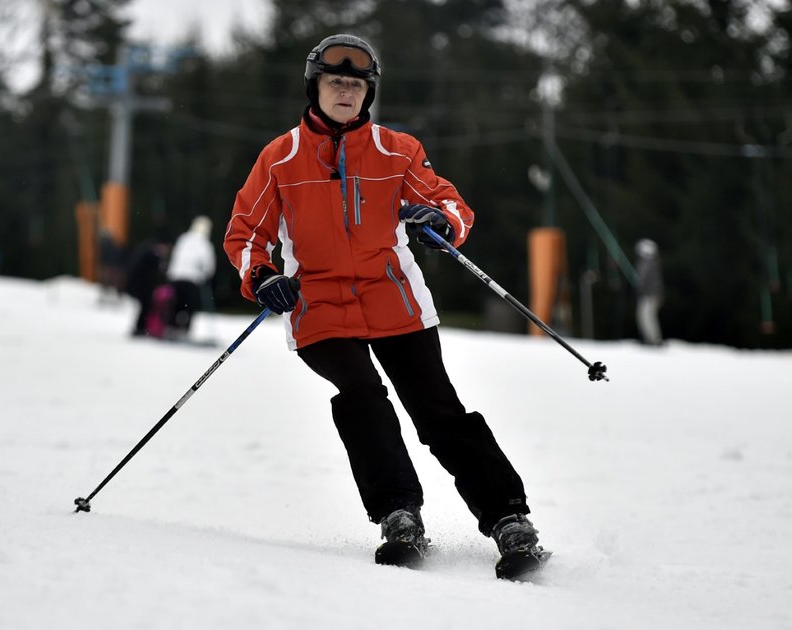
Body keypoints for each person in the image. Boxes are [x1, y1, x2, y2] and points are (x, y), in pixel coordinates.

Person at [223, 34, 549, 579]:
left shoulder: (396, 150)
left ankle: (509, 519)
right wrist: (262, 277)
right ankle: (399, 514)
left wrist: (442, 223)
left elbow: (449, 202)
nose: (346, 92)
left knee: (437, 409)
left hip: (395, 298)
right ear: (315, 87)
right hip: (319, 305)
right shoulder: (279, 159)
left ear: (368, 92)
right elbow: (245, 234)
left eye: (356, 84)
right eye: (335, 82)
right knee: (362, 397)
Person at [166, 215, 216, 339]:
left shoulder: (183, 238)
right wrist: (206, 275)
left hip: (176, 277)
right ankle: (184, 331)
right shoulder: (205, 243)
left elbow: (175, 256)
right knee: (189, 307)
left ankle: (170, 328)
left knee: (176, 304)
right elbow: (208, 264)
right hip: (192, 279)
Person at [125, 234, 171, 337]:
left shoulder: (148, 251)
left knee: (145, 306)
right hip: (140, 285)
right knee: (145, 305)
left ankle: (142, 327)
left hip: (139, 284)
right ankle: (140, 328)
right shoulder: (152, 254)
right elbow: (154, 271)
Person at [635, 238, 664, 346]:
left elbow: (645, 280)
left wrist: (639, 285)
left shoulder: (649, 263)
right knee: (644, 317)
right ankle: (649, 338)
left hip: (650, 296)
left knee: (647, 317)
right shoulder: (648, 262)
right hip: (648, 295)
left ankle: (654, 339)